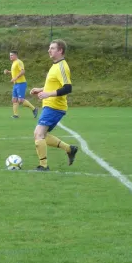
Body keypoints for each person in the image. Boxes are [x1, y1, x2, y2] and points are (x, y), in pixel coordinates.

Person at [29, 40, 78, 171]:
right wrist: (40, 90)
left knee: (38, 134)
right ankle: (69, 149)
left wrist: (48, 94)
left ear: (60, 50)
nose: (49, 50)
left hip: (55, 106)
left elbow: (68, 88)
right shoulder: (55, 65)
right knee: (41, 135)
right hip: (50, 106)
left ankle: (43, 166)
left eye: (52, 48)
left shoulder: (62, 66)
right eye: (49, 48)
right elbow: (53, 84)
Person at [3, 50, 38, 119]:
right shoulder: (14, 63)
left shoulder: (19, 62)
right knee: (14, 99)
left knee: (21, 100)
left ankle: (34, 109)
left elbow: (23, 71)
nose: (10, 56)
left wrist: (15, 78)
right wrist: (8, 72)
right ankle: (16, 115)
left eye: (12, 55)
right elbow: (15, 72)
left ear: (16, 55)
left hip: (21, 83)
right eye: (10, 55)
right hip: (16, 84)